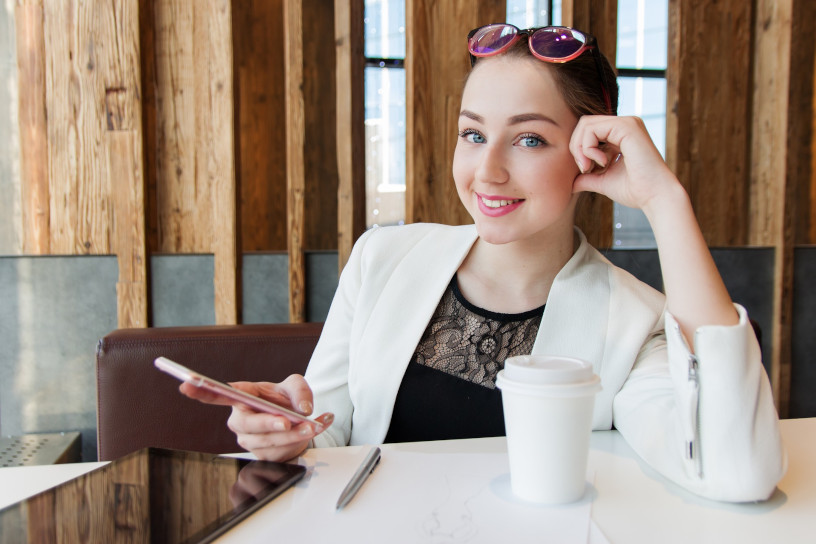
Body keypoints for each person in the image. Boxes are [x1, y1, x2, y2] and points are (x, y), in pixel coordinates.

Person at [182, 23, 786, 502]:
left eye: (529, 139)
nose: (488, 170)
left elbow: (735, 470)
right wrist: (288, 432)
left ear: (591, 153)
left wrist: (665, 200)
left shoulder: (635, 322)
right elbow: (331, 430)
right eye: (473, 134)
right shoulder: (383, 258)